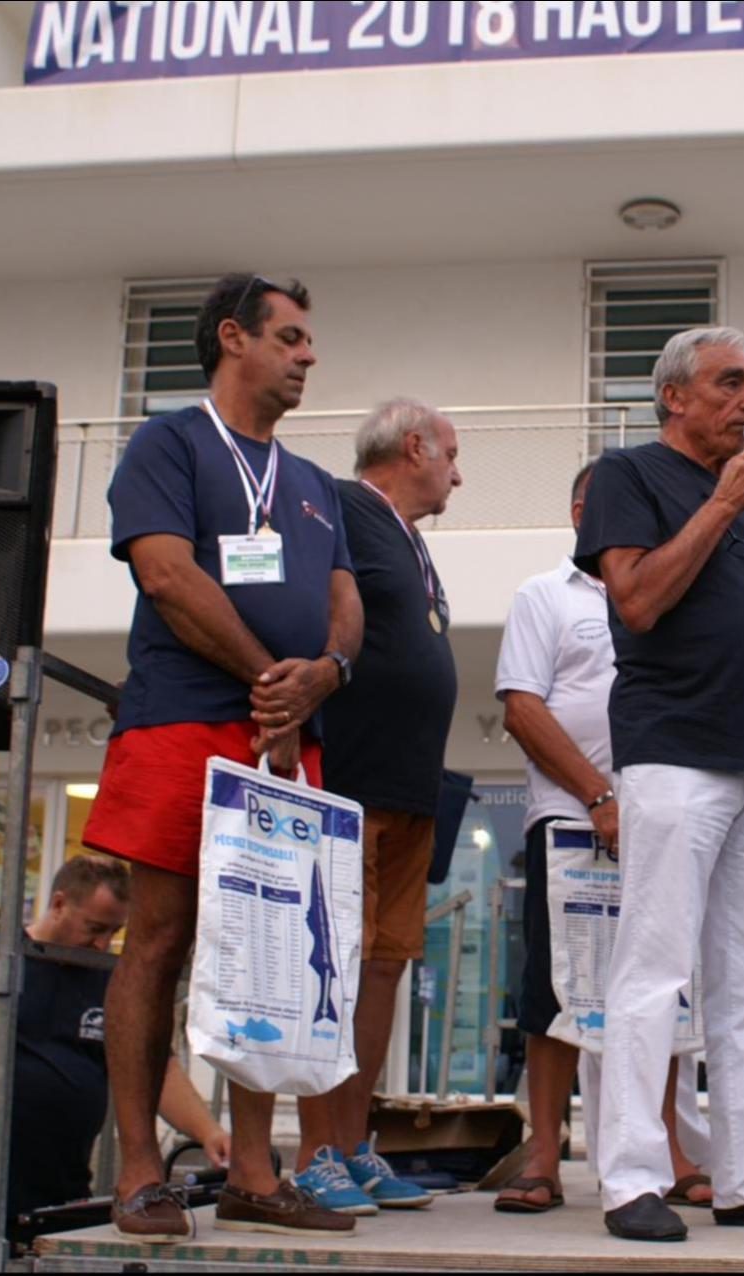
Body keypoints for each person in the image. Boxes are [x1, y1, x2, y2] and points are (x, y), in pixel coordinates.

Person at [83, 272, 360, 1241]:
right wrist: (266, 680)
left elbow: (344, 604)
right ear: (233, 339)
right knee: (159, 937)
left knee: (276, 950)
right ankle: (139, 1167)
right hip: (186, 718)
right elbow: (165, 571)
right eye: (289, 337)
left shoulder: (317, 483)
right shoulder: (168, 442)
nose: (308, 355)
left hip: (286, 738)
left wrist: (323, 672)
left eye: (308, 340)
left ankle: (253, 1168)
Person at [574, 326, 744, 1242]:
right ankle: (633, 1178)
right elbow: (638, 600)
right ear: (674, 397)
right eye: (731, 383)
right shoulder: (631, 477)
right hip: (675, 756)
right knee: (653, 972)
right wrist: (723, 503)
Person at [490, 461, 713, 1215]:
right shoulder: (543, 595)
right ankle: (546, 1156)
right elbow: (522, 707)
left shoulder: (670, 587)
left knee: (665, 985)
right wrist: (597, 794)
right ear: (584, 510)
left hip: (662, 815)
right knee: (555, 993)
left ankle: (670, 1147)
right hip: (570, 819)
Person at [0, 858, 229, 1271]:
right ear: (59, 903)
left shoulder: (108, 982)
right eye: (95, 928)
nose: (102, 944)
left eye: (114, 933)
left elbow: (157, 1068)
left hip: (58, 1201)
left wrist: (209, 1132)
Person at [298, 397, 463, 1214]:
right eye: (451, 457)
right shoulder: (341, 506)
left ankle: (357, 1146)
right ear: (412, 446)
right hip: (349, 780)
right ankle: (315, 1152)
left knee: (385, 966)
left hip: (409, 787)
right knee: (330, 965)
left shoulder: (410, 542)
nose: (457, 475)